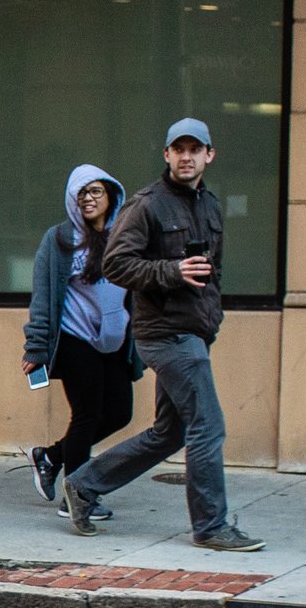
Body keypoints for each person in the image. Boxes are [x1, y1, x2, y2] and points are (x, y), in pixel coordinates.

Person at [59, 119, 263, 552]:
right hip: (164, 333)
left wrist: (213, 318)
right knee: (208, 426)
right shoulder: (146, 205)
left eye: (195, 149)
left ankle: (84, 484)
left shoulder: (210, 205)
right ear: (167, 155)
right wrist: (171, 271)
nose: (186, 157)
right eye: (178, 149)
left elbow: (214, 272)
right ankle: (210, 526)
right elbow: (115, 265)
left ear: (210, 155)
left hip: (196, 331)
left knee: (170, 432)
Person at [23, 165, 144, 517]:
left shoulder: (125, 235)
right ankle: (77, 497)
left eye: (96, 192)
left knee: (120, 413)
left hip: (115, 341)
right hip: (76, 339)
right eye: (82, 194)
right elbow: (43, 296)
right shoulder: (59, 239)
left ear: (110, 196)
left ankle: (51, 457)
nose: (89, 199)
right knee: (87, 415)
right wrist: (36, 346)